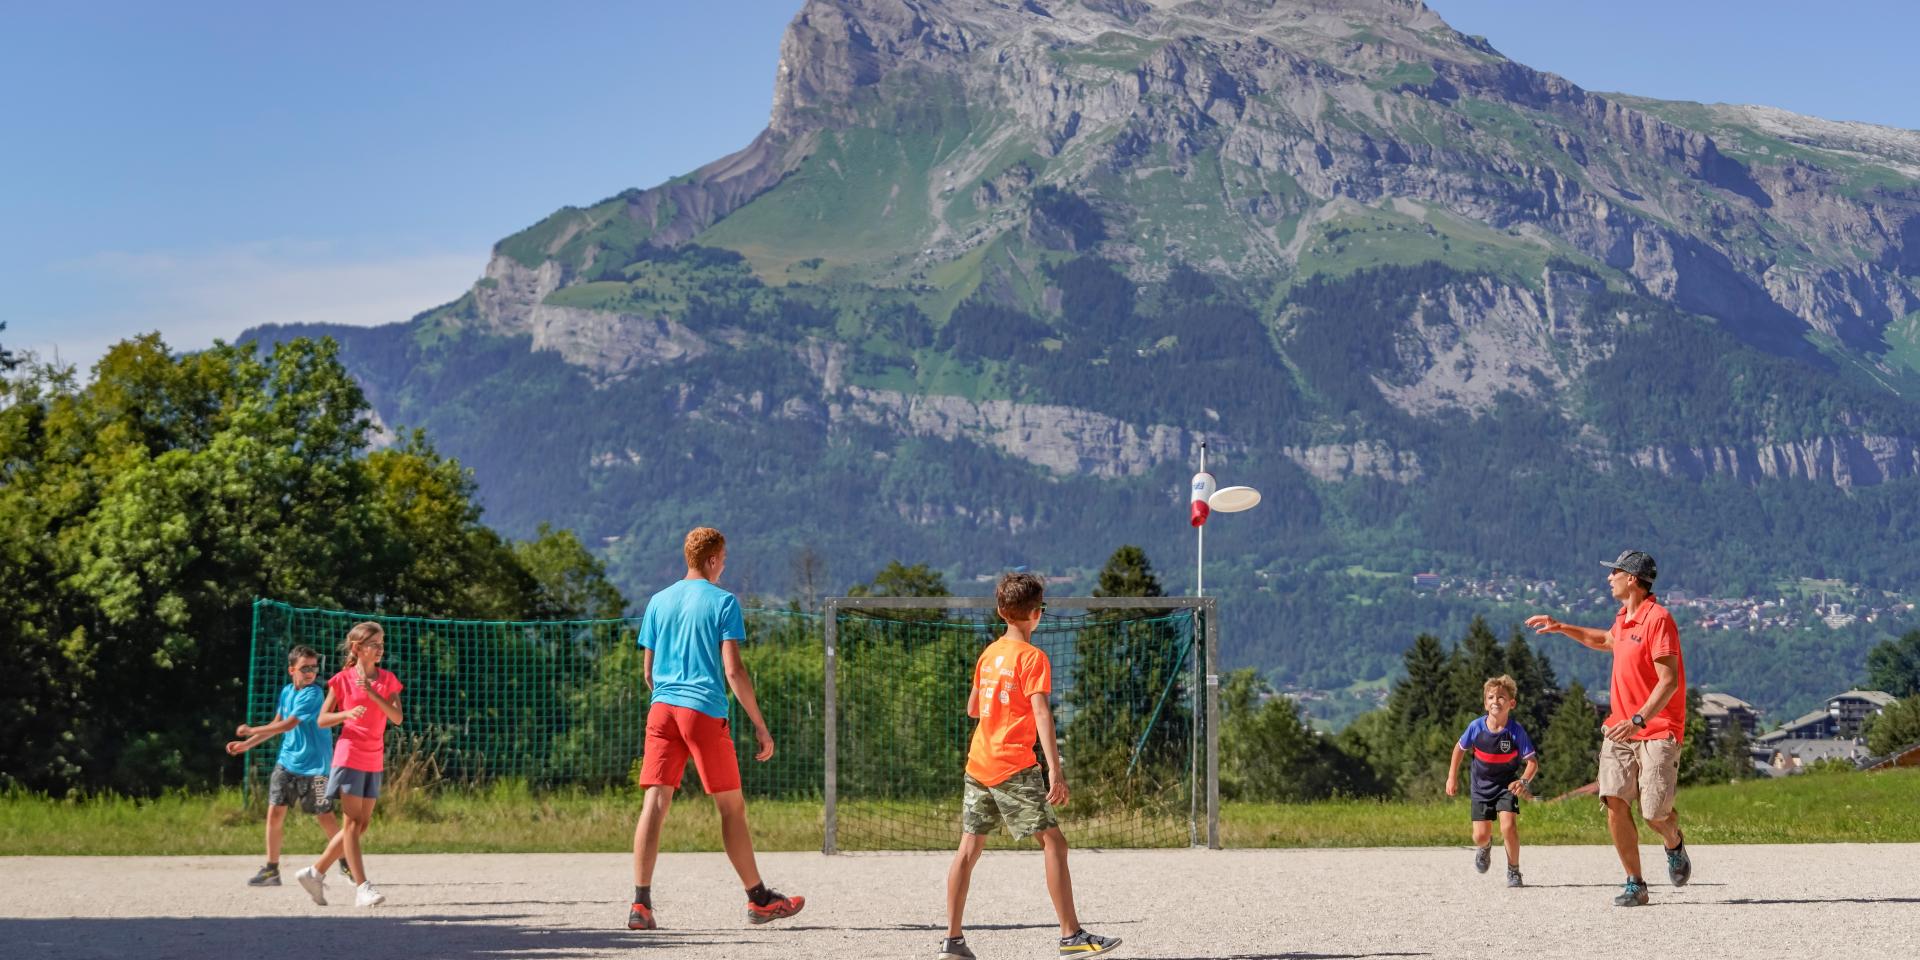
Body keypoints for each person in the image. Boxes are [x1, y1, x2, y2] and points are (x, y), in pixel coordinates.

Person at [627, 526, 803, 930]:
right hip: (702, 710)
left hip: (662, 710)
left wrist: (668, 696)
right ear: (710, 560)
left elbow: (648, 672)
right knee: (731, 808)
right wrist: (761, 726)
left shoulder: (658, 601)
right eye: (723, 559)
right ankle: (759, 899)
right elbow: (733, 670)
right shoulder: (723, 602)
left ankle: (641, 904)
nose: (725, 565)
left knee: (655, 803)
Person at [940, 572, 1120, 960]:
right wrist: (1055, 768)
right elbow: (1041, 713)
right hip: (1012, 765)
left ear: (1001, 611)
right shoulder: (1033, 658)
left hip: (978, 763)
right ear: (1036, 613)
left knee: (968, 849)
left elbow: (974, 707)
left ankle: (952, 941)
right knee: (1054, 843)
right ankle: (1071, 936)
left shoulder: (989, 653)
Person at [1526, 549, 1693, 907]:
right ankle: (1636, 882)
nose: (1608, 578)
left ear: (1632, 578)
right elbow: (1603, 640)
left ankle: (1673, 841)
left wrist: (1639, 720)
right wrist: (1561, 626)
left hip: (1657, 729)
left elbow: (1669, 681)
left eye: (1614, 572)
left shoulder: (1658, 619)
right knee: (1614, 799)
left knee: (1654, 813)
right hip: (1619, 729)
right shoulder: (1625, 618)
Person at [294, 621, 402, 908]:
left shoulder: (388, 679)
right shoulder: (341, 679)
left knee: (362, 825)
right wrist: (346, 714)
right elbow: (321, 719)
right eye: (374, 644)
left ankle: (314, 872)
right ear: (357, 648)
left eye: (382, 644)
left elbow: (397, 718)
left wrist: (373, 693)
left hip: (373, 757)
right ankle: (362, 886)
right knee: (352, 822)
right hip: (349, 754)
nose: (380, 649)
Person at [224, 645, 352, 887]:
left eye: (314, 668)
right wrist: (248, 744)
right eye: (305, 668)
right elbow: (277, 723)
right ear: (291, 669)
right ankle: (271, 871)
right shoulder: (286, 692)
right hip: (287, 762)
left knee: (325, 817)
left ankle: (347, 864)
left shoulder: (313, 694)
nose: (311, 672)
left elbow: (288, 725)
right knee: (275, 813)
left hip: (316, 767)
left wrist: (252, 729)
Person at [1445, 675, 1538, 888]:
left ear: (1511, 703)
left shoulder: (1516, 731)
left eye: (1502, 697)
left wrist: (1523, 781)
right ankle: (1484, 847)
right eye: (1491, 697)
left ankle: (1514, 870)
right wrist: (1452, 776)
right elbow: (1459, 749)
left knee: (1509, 827)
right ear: (1485, 703)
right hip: (1481, 786)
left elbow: (1532, 763)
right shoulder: (1476, 727)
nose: (1496, 701)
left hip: (1507, 786)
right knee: (1479, 836)